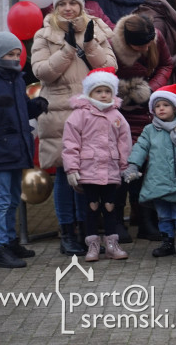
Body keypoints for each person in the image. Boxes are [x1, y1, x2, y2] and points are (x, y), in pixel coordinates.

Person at [32, 0, 116, 256]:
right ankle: (67, 231)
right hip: (60, 113)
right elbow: (42, 72)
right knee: (65, 176)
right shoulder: (44, 34)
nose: (68, 9)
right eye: (62, 4)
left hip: (92, 114)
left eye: (73, 3)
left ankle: (87, 230)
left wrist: (89, 44)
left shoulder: (96, 27)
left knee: (88, 177)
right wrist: (67, 49)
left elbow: (110, 67)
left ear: (81, 4)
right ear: (56, 7)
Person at [0, 32, 47, 268]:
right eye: (10, 54)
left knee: (12, 200)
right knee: (0, 200)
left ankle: (10, 242)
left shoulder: (17, 78)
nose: (15, 58)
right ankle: (0, 249)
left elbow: (19, 111)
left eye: (17, 54)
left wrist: (35, 107)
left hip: (18, 147)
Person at [110, 14, 173, 243]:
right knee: (122, 166)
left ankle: (147, 221)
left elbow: (166, 64)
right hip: (121, 112)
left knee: (145, 166)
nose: (146, 48)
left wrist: (151, 89)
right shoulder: (111, 46)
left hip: (147, 110)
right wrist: (123, 94)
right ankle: (116, 221)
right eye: (140, 45)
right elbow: (104, 75)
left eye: (149, 43)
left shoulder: (156, 38)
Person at [61, 68, 132, 262]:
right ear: (89, 93)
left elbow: (124, 142)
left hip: (110, 170)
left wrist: (125, 166)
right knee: (91, 207)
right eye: (98, 91)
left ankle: (111, 244)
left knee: (110, 206)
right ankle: (92, 245)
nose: (103, 95)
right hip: (88, 170)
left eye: (107, 91)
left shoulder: (117, 116)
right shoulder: (79, 115)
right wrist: (72, 168)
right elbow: (70, 143)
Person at [123, 84, 176, 258]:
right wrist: (133, 165)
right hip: (157, 180)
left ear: (175, 107)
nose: (161, 109)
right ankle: (167, 241)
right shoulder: (150, 130)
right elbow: (140, 147)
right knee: (163, 213)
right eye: (157, 106)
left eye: (165, 105)